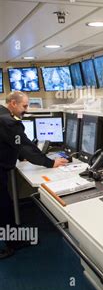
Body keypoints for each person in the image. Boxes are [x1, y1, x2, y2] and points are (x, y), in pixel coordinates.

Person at [0, 91, 68, 259]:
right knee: (3, 207)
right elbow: (25, 146)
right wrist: (50, 163)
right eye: (24, 106)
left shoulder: (1, 114)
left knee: (5, 205)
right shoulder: (8, 122)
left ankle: (13, 240)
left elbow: (11, 143)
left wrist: (21, 155)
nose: (26, 109)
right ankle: (12, 244)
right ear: (13, 104)